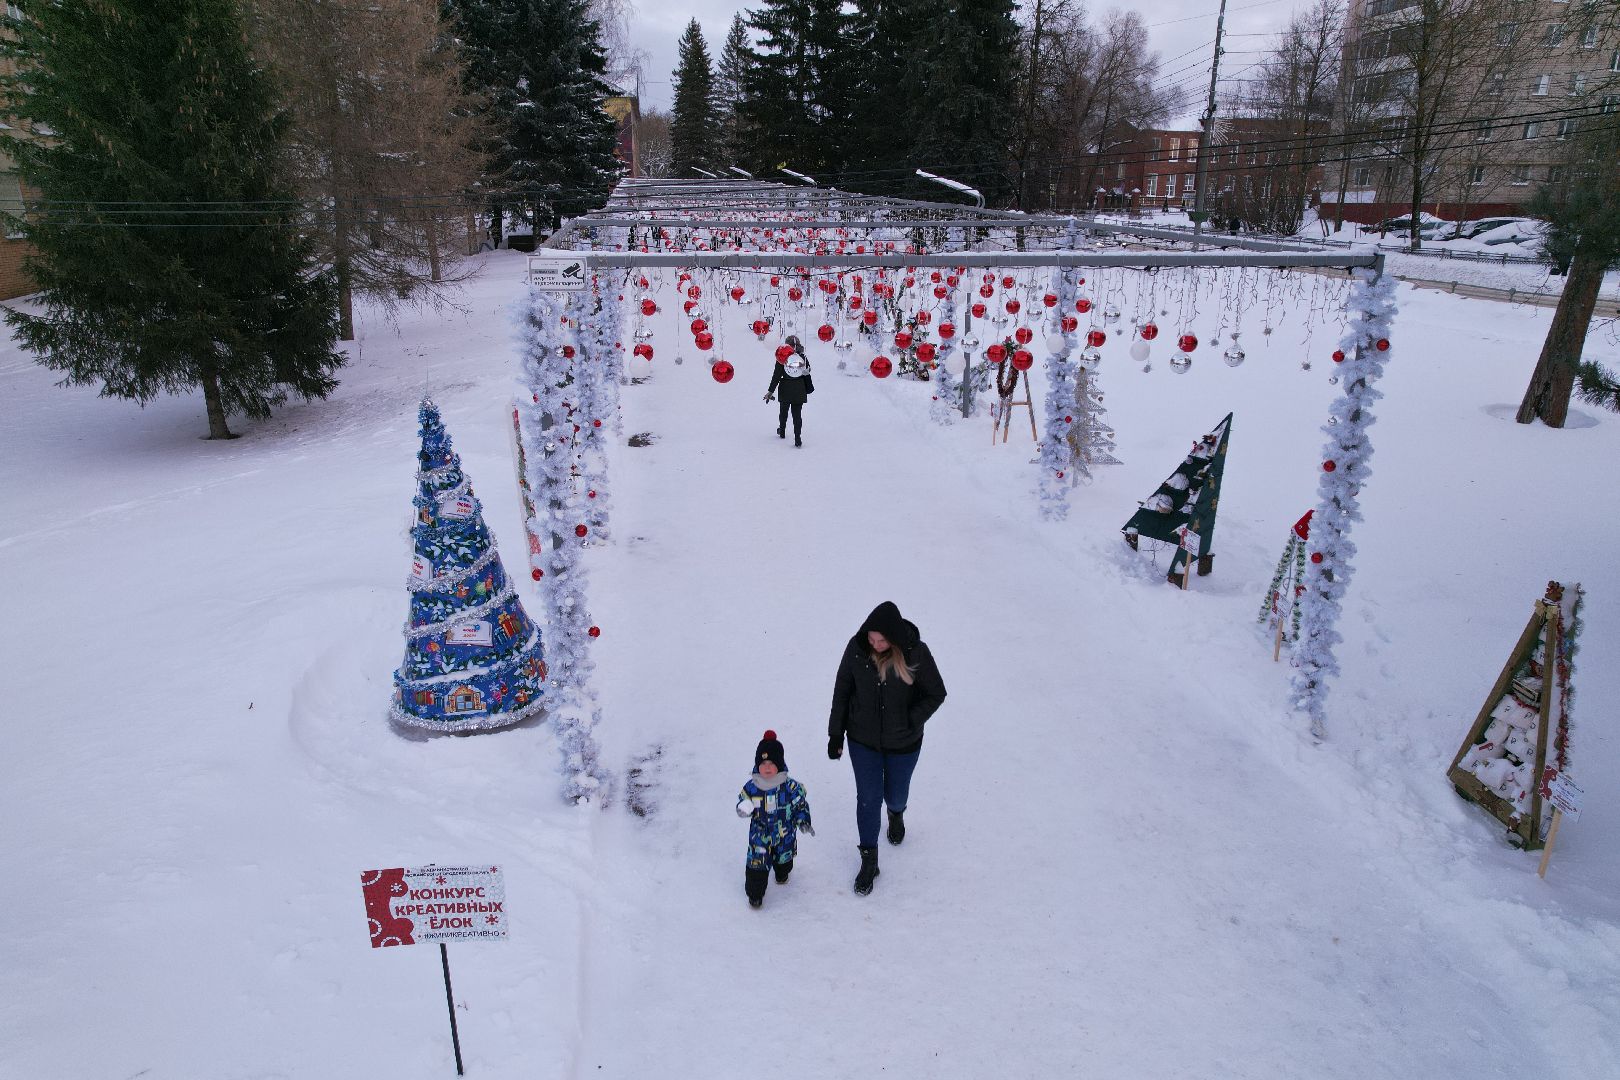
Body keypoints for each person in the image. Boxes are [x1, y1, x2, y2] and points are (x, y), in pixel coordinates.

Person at [826, 601, 947, 896]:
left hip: (903, 744)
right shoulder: (856, 650)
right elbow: (842, 690)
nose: (875, 645)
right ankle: (869, 860)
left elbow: (936, 693)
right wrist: (835, 735)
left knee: (895, 794)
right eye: (872, 638)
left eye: (881, 640)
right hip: (862, 740)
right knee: (868, 798)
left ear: (894, 638)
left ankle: (896, 813)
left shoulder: (916, 652)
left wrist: (910, 720)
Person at [736, 729, 813, 909]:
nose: (768, 767)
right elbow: (742, 801)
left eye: (772, 763)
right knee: (757, 864)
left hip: (785, 832)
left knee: (784, 858)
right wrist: (744, 807)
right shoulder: (752, 787)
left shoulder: (789, 786)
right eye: (763, 763)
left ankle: (782, 873)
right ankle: (755, 894)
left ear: (779, 764)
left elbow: (800, 804)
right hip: (760, 834)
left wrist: (803, 820)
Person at [764, 335, 814, 447]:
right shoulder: (802, 357)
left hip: (785, 387)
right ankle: (797, 438)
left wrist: (770, 391)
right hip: (799, 388)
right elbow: (808, 371)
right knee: (797, 415)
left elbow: (776, 376)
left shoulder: (782, 357)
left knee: (783, 412)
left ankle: (782, 431)